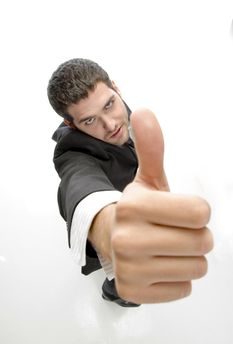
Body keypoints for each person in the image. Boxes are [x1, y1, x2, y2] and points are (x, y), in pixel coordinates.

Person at [47, 58, 213, 307]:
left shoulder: (127, 113)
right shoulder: (72, 154)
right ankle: (113, 293)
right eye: (89, 121)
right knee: (125, 284)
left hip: (139, 202)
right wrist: (108, 228)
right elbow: (80, 185)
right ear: (71, 125)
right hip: (116, 229)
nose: (111, 124)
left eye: (109, 104)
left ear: (115, 88)